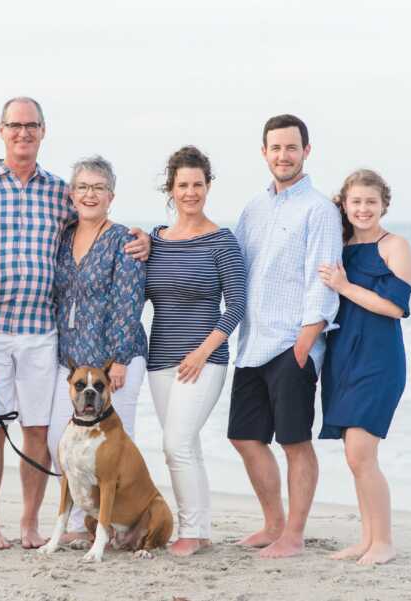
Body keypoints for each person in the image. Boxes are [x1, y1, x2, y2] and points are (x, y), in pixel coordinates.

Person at [0, 97, 150, 549]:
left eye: (31, 126)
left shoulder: (60, 192)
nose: (23, 133)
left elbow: (98, 225)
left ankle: (31, 523)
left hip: (42, 333)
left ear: (43, 131)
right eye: (15, 125)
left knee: (38, 430)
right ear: (1, 130)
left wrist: (143, 239)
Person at [229, 114, 343, 559]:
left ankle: (293, 534)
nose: (283, 155)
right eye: (275, 148)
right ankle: (273, 522)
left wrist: (306, 340)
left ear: (306, 151)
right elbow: (231, 263)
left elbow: (324, 279)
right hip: (252, 344)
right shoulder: (254, 208)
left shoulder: (319, 209)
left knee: (294, 441)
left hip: (292, 344)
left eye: (291, 147)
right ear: (264, 153)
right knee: (244, 436)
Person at [146, 146, 246, 557]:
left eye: (198, 184)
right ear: (170, 189)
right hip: (159, 362)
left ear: (208, 187)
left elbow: (237, 304)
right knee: (183, 446)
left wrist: (203, 352)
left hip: (203, 362)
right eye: (183, 185)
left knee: (177, 443)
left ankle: (190, 532)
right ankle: (199, 528)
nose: (191, 192)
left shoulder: (222, 242)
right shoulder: (155, 240)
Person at [46, 155, 148, 542]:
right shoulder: (63, 237)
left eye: (99, 187)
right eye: (83, 187)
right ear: (71, 194)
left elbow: (129, 301)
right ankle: (79, 526)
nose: (90, 194)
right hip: (72, 361)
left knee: (114, 449)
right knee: (65, 440)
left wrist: (119, 359)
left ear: (111, 195)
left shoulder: (123, 240)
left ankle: (121, 526)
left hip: (114, 362)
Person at [318, 169, 411, 565]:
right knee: (354, 456)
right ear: (344, 204)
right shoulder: (338, 247)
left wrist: (344, 288)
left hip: (379, 359)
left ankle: (385, 542)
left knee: (362, 453)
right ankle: (367, 539)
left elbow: (394, 307)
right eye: (355, 201)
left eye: (370, 202)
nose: (363, 209)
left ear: (383, 205)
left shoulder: (395, 245)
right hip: (341, 356)